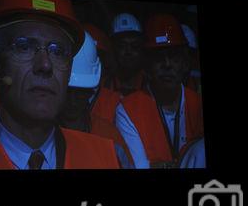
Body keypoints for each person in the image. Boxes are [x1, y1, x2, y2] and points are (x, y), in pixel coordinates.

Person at [0, 0, 120, 169]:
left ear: (69, 68)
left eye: (57, 51)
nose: (45, 64)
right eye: (24, 47)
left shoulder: (106, 158)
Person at [116, 13, 205, 168]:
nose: (167, 65)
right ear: (148, 66)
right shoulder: (128, 109)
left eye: (173, 56)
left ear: (184, 63)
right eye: (159, 58)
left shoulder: (198, 105)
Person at [59, 30, 133, 167]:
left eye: (80, 93)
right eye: (68, 92)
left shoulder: (109, 136)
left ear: (90, 91)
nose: (73, 101)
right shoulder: (40, 135)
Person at [110, 13, 145, 97]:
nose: (128, 51)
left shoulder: (152, 86)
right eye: (122, 46)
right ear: (114, 49)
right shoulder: (104, 85)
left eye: (134, 46)